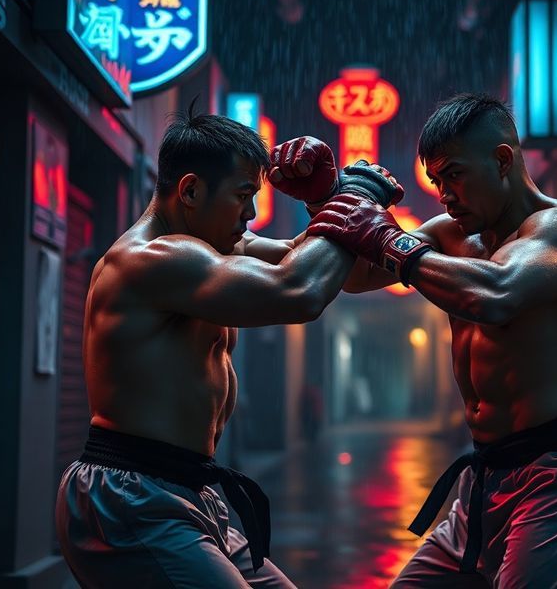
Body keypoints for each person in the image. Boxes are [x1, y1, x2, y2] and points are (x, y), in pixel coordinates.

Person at [54, 107, 402, 588]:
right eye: (242, 196)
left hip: (191, 489)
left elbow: (353, 273)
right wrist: (355, 198)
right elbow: (299, 292)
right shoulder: (149, 260)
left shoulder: (220, 248)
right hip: (132, 495)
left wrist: (327, 201)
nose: (252, 213)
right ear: (191, 190)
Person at [306, 93, 557, 587]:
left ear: (502, 160)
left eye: (454, 174)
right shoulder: (450, 234)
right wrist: (322, 198)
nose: (444, 193)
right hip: (485, 479)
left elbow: (496, 294)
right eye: (437, 180)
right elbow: (354, 277)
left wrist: (388, 239)